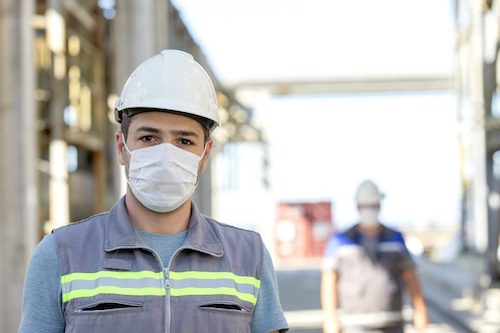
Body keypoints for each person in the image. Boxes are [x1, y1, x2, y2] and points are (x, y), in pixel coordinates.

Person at [19, 49, 289, 333]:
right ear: (122, 147)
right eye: (149, 138)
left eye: (184, 141)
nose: (166, 156)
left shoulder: (248, 256)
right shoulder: (61, 255)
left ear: (206, 154)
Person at [321, 180, 428, 333]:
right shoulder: (340, 241)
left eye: (373, 206)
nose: (369, 210)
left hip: (392, 321)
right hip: (355, 324)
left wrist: (420, 309)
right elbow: (329, 279)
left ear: (380, 205)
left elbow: (410, 275)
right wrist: (330, 318)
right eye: (365, 206)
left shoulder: (396, 239)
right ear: (357, 207)